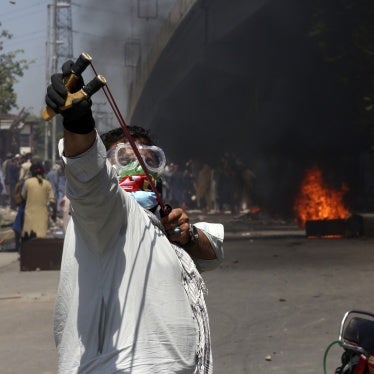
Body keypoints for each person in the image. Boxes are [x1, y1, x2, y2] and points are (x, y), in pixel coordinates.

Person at [45, 60, 224, 373]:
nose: (137, 168)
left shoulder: (158, 221)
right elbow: (89, 179)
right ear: (109, 168)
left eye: (147, 159)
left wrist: (185, 234)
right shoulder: (107, 212)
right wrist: (78, 123)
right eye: (123, 159)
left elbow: (213, 253)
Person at [21, 162, 56, 239]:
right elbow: (52, 201)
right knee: (40, 238)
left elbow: (23, 197)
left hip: (29, 215)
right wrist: (54, 214)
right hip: (42, 216)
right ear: (43, 172)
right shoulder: (47, 184)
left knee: (28, 238)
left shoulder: (27, 183)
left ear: (31, 172)